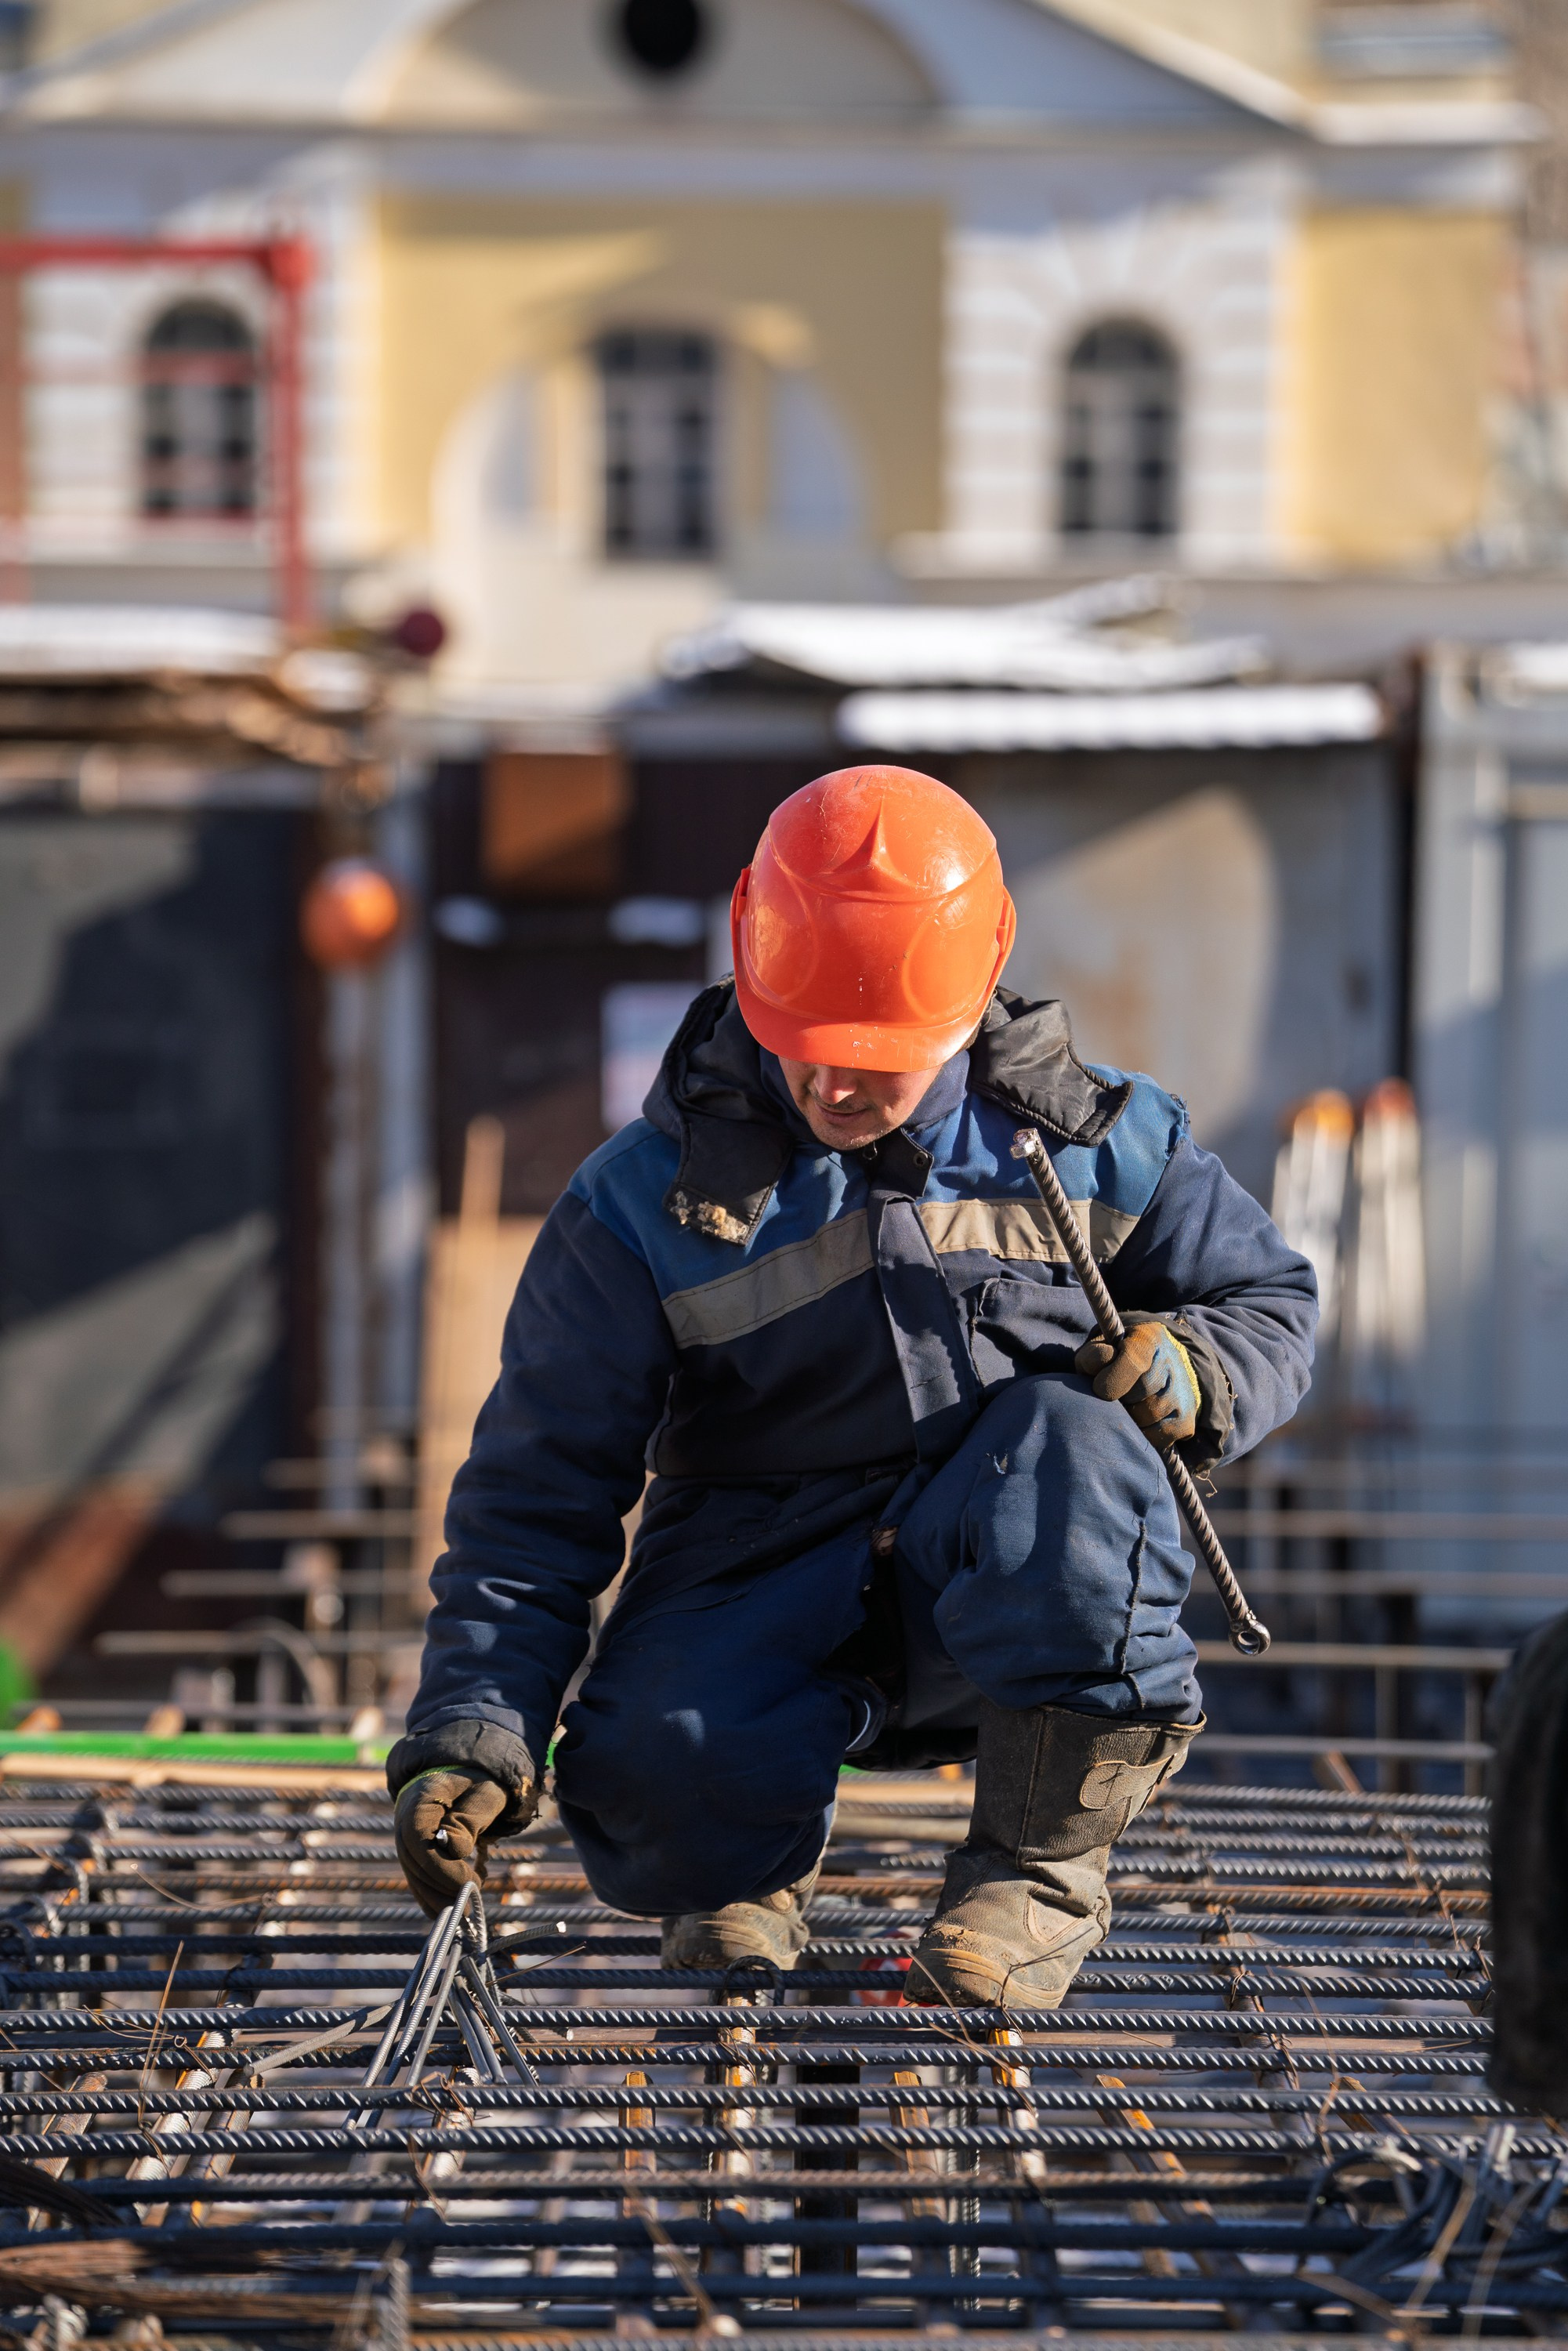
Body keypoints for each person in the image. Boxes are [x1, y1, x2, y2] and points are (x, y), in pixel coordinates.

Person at [388, 766, 1316, 2009]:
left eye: (877, 1060)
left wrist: (1198, 1372)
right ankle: (743, 1867)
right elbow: (535, 1493)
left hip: (1011, 1578)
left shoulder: (1103, 1145)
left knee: (1072, 1442)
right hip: (759, 1579)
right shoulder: (637, 1204)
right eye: (807, 1047)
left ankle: (1032, 1880)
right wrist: (473, 1724)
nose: (834, 1088)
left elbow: (1271, 1306)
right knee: (647, 1779)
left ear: (975, 988)